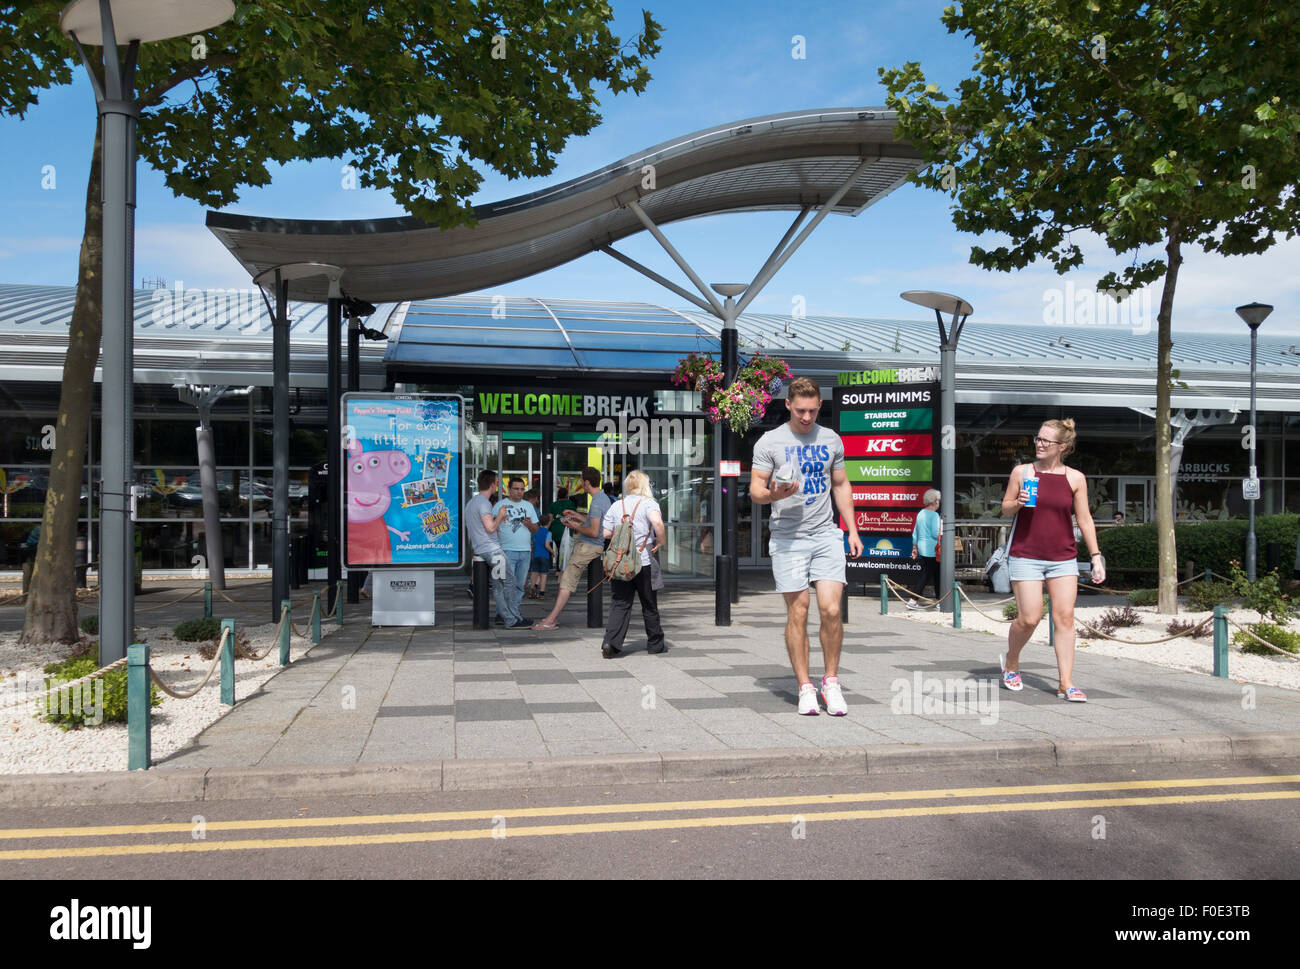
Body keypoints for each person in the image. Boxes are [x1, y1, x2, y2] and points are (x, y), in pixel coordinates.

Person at [750, 376, 862, 716]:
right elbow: (755, 490)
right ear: (788, 405)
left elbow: (841, 485)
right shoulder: (769, 442)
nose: (806, 417)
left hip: (826, 533)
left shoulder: (831, 439)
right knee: (798, 610)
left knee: (831, 609)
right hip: (787, 537)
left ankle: (831, 681)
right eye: (800, 411)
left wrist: (852, 530)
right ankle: (805, 686)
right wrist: (773, 494)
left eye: (813, 411)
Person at [998, 419, 1105, 702]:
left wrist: (1096, 556)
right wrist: (1018, 502)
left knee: (1065, 617)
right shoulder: (1022, 472)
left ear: (1063, 447)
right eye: (1038, 438)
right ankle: (1011, 661)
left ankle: (1066, 682)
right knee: (1029, 618)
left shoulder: (1075, 478)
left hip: (1063, 558)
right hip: (1026, 554)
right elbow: (1005, 509)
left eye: (1046, 440)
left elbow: (1083, 519)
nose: (1040, 444)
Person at [532, 466, 612, 630]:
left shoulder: (596, 503)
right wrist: (577, 516)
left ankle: (551, 620)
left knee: (566, 581)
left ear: (587, 482)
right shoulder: (602, 498)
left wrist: (574, 526)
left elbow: (593, 531)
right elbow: (594, 523)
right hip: (592, 546)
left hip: (589, 547)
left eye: (582, 480)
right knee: (565, 580)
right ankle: (551, 618)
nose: (581, 483)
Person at [599, 470, 666, 657]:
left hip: (621, 562)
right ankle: (655, 644)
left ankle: (610, 643)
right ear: (645, 485)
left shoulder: (617, 505)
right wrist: (661, 540)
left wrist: (622, 538)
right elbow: (657, 523)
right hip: (644, 561)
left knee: (620, 603)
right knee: (649, 604)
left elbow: (605, 533)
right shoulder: (649, 503)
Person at [464, 470, 520, 626]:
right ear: (492, 484)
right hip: (493, 551)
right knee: (508, 581)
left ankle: (510, 618)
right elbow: (489, 528)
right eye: (496, 482)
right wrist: (500, 515)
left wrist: (497, 521)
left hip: (481, 549)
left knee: (498, 585)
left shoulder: (472, 503)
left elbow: (483, 527)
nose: (497, 485)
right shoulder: (484, 503)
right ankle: (512, 618)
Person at [493, 476, 539, 626]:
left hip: (525, 551)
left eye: (522, 489)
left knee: (519, 585)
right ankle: (504, 614)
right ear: (509, 489)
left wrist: (529, 524)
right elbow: (491, 526)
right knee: (506, 585)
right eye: (516, 489)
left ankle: (514, 613)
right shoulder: (501, 505)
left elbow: (536, 529)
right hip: (506, 550)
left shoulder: (528, 506)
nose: (519, 492)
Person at [906, 489, 941, 609]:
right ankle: (913, 600)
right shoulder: (935, 515)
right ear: (936, 501)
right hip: (932, 548)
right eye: (939, 500)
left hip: (922, 546)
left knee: (936, 573)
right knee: (926, 575)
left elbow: (915, 532)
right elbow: (936, 533)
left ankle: (939, 600)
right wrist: (945, 535)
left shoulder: (921, 513)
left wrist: (914, 546)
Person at [527, 513, 555, 598]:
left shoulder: (536, 531)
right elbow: (547, 545)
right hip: (544, 556)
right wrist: (552, 552)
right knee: (544, 574)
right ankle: (542, 593)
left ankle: (533, 589)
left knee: (535, 573)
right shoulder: (548, 533)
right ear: (549, 522)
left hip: (536, 555)